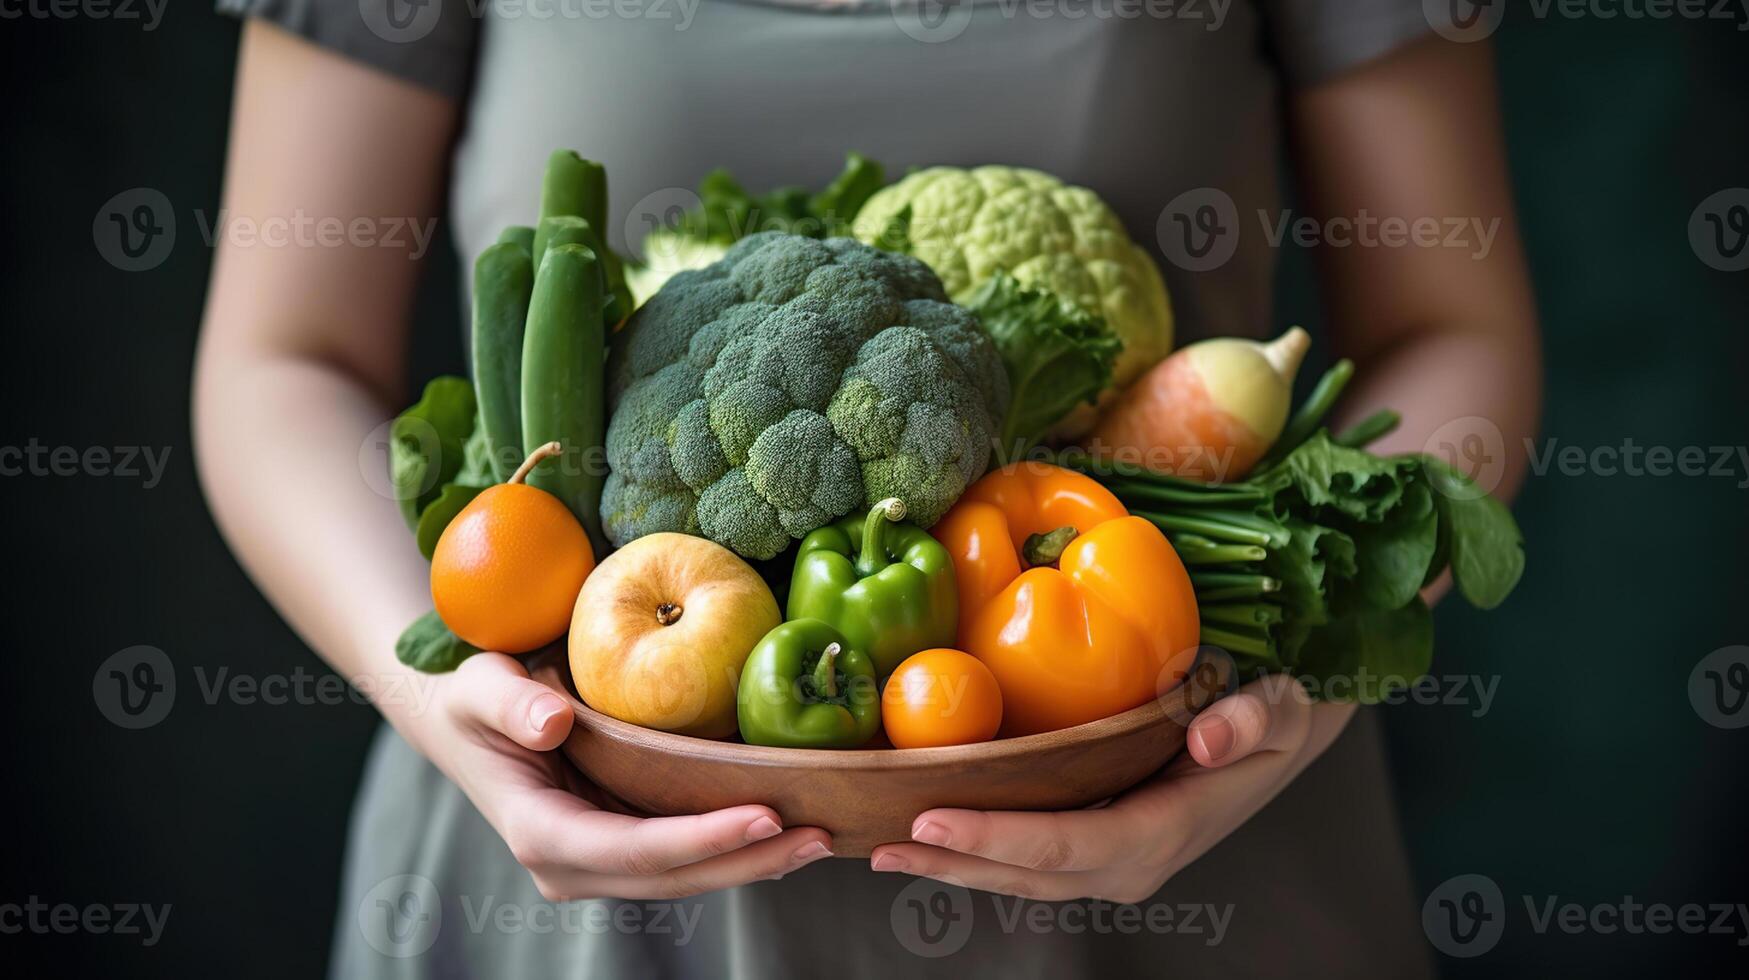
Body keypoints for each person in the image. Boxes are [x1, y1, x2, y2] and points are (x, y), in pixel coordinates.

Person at [195, 2, 1540, 976]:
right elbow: (281, 360)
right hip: (555, 879)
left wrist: (1287, 706)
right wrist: (437, 693)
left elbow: (1449, 321)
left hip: (1196, 834)